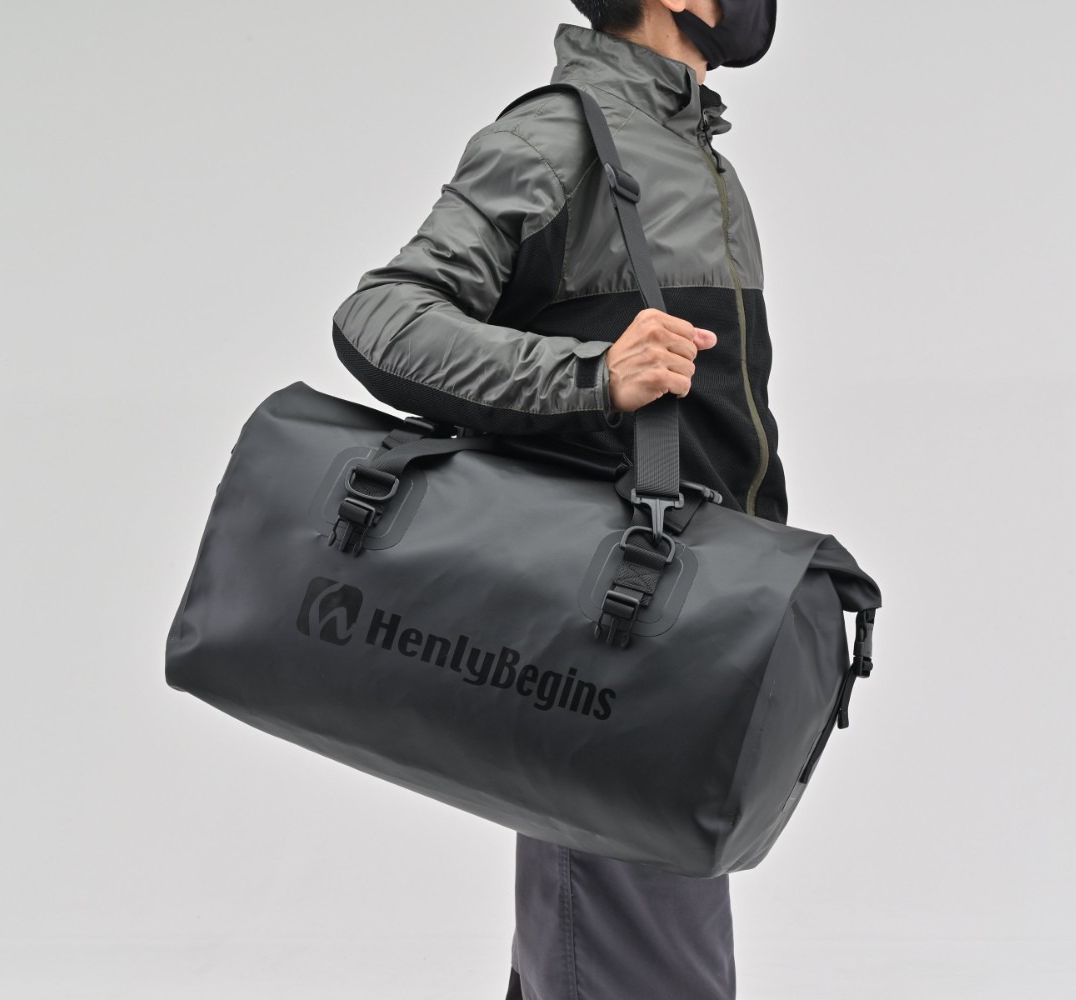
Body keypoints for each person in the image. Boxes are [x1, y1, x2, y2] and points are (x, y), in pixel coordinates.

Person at [331, 2, 784, 997]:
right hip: (617, 641)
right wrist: (592, 374)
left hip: (687, 634)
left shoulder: (691, 152)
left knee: (604, 957)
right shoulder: (559, 134)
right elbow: (384, 316)